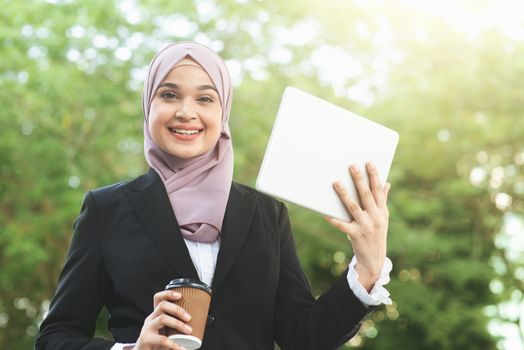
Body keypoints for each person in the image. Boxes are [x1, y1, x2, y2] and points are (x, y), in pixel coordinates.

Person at [35, 42, 393, 350]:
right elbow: (56, 336)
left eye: (205, 98)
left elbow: (303, 337)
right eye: (169, 94)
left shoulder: (265, 214)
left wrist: (366, 270)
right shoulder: (106, 209)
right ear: (148, 106)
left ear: (223, 114)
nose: (186, 111)